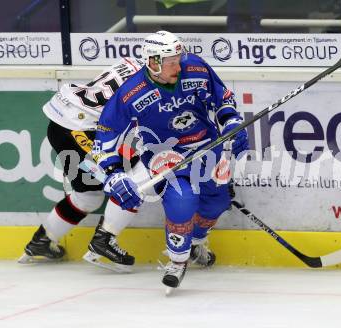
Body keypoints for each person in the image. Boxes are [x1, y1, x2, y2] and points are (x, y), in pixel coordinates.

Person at [89, 30, 248, 289]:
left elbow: (223, 99)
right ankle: (177, 258)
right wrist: (114, 175)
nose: (178, 65)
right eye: (171, 61)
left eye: (178, 58)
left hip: (208, 148)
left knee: (216, 204)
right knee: (181, 201)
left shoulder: (195, 67)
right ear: (153, 62)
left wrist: (232, 123)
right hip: (166, 158)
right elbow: (104, 139)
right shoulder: (131, 92)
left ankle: (195, 243)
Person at [18, 56, 147, 273]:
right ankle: (104, 240)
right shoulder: (151, 83)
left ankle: (43, 240)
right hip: (78, 130)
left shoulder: (134, 62)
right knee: (136, 177)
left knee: (88, 195)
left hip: (62, 124)